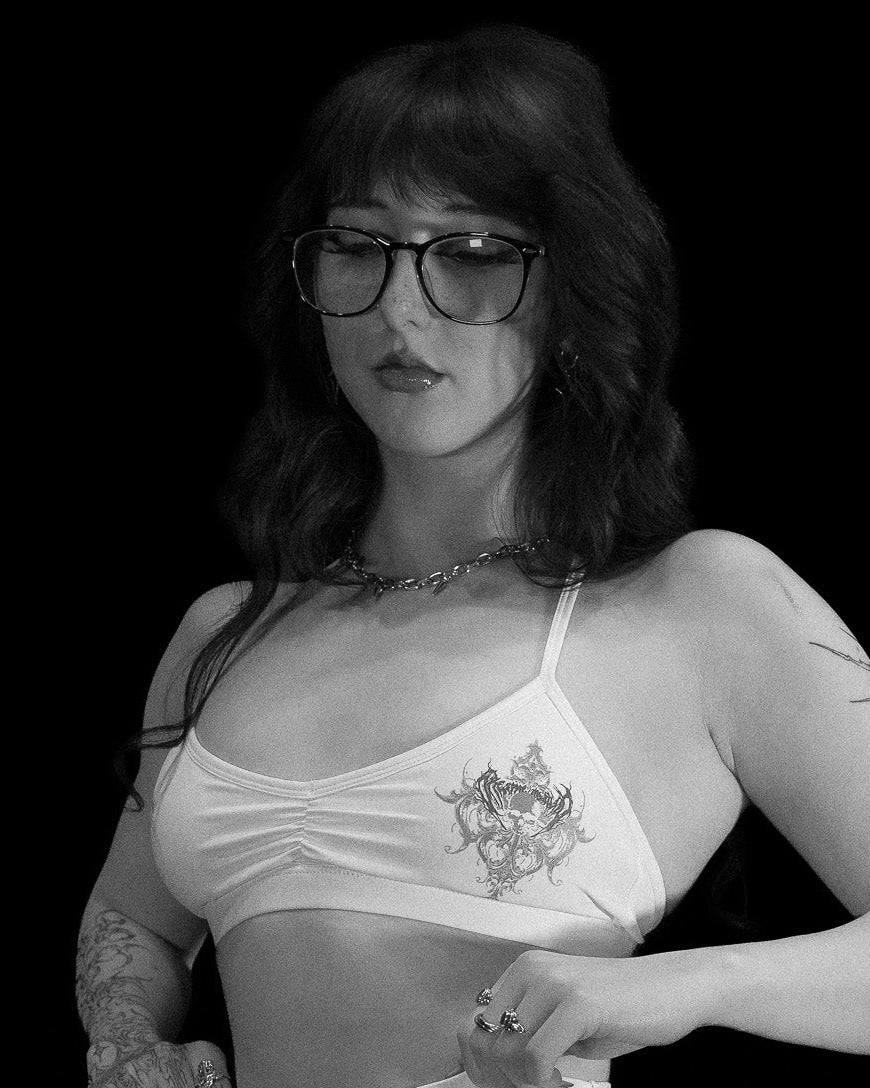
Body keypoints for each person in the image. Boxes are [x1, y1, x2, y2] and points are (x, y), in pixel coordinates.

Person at [76, 22, 869, 1088]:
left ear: (576, 291)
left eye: (474, 254)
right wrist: (128, 1038)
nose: (400, 309)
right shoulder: (226, 633)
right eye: (357, 245)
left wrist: (687, 987)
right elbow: (131, 915)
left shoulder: (702, 604)